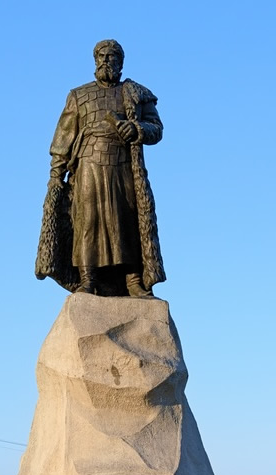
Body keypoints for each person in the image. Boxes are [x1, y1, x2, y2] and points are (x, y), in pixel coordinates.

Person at [35, 39, 165, 297]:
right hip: (88, 164)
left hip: (123, 164)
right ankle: (88, 279)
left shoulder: (136, 94)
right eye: (101, 56)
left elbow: (156, 129)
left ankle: (133, 280)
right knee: (87, 221)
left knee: (127, 219)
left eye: (111, 56)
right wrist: (56, 175)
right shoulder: (78, 95)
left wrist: (136, 128)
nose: (106, 61)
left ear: (121, 62)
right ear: (95, 61)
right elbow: (62, 139)